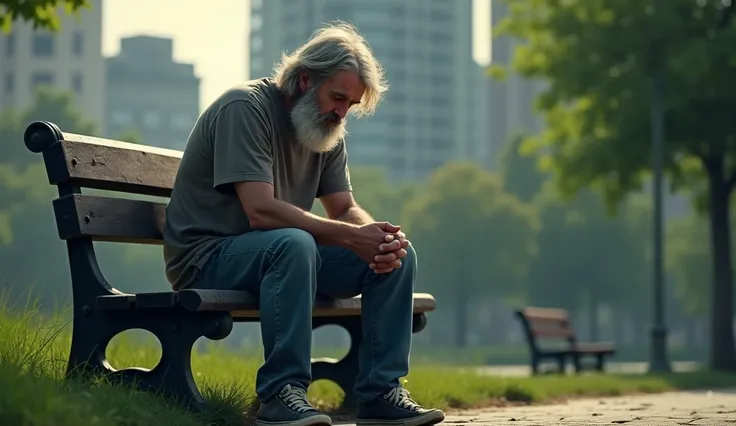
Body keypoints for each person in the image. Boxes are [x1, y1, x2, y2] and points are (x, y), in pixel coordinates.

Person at [162, 21, 445, 426]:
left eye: (351, 104)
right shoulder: (246, 108)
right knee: (294, 244)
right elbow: (260, 210)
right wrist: (351, 237)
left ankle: (381, 392)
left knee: (397, 252)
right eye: (338, 97)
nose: (342, 111)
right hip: (208, 256)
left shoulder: (326, 129)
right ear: (305, 79)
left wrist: (374, 237)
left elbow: (344, 207)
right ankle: (281, 394)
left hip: (279, 253)